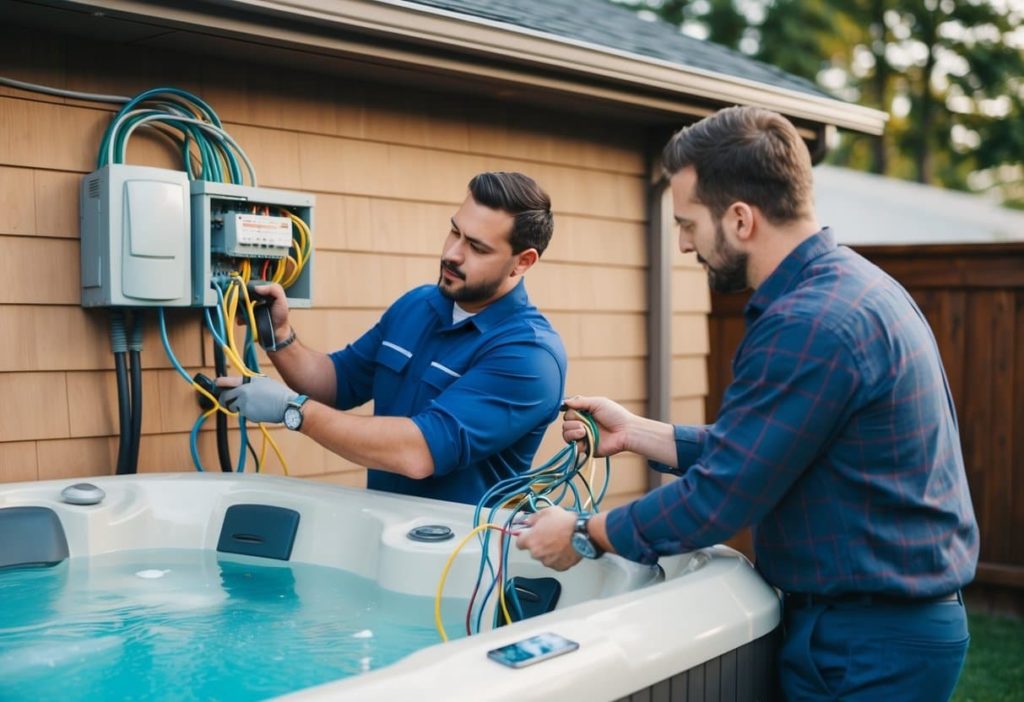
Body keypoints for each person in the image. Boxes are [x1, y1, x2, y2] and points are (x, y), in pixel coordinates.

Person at [515, 106, 978, 701]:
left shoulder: (811, 324)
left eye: (687, 223)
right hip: (875, 627)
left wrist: (584, 531)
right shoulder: (852, 288)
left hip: (869, 642)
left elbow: (721, 497)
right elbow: (771, 450)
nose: (683, 244)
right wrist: (635, 433)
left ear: (739, 219)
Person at [219, 172, 567, 505]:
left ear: (522, 262)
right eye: (454, 232)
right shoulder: (419, 305)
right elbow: (336, 382)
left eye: (476, 247)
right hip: (385, 539)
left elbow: (417, 451)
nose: (452, 253)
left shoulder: (529, 355)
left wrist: (291, 409)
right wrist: (279, 336)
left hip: (464, 556)